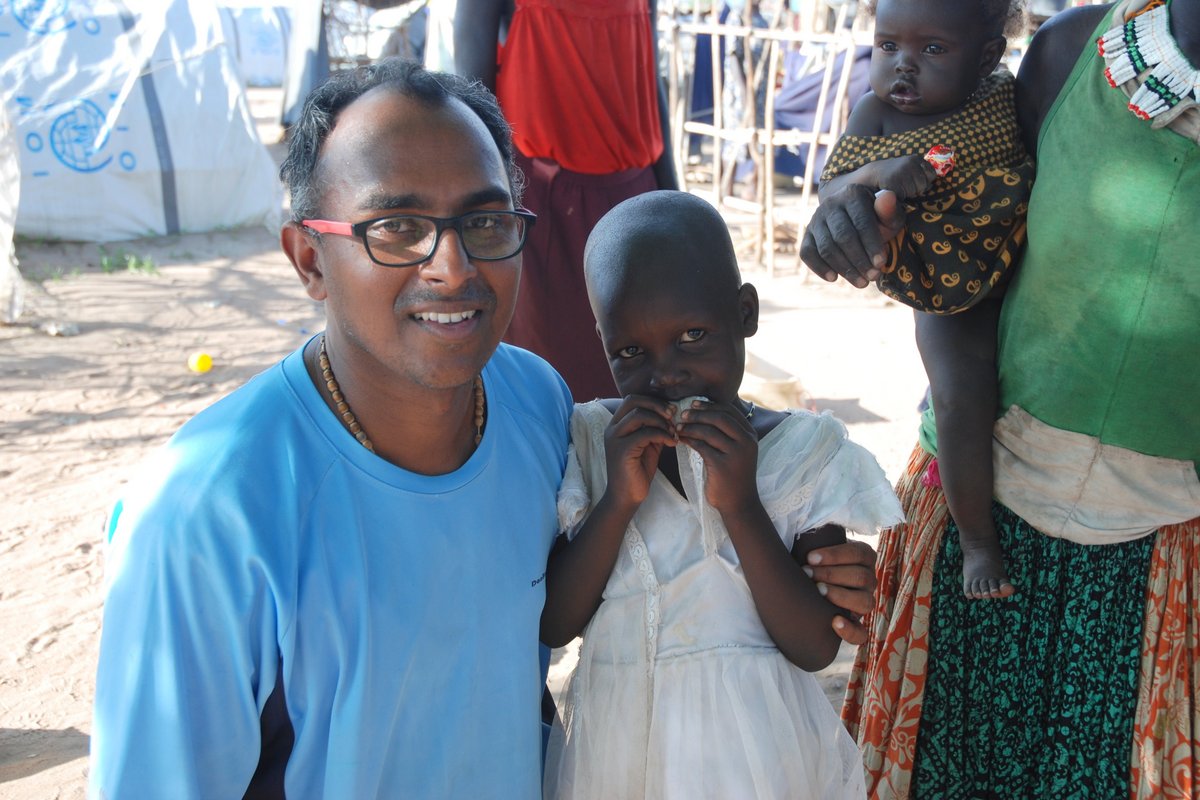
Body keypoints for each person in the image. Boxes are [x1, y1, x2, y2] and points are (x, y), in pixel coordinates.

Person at [89, 60, 881, 797]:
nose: (453, 267)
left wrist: (808, 556)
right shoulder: (204, 513)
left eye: (486, 221)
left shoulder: (536, 406)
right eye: (395, 227)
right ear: (308, 261)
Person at [804, 0, 1199, 796]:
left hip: (1165, 550)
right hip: (981, 517)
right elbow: (971, 247)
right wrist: (867, 221)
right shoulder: (1072, 57)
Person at [541, 190, 904, 799]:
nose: (665, 375)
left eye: (692, 335)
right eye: (630, 352)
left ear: (745, 314)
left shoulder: (803, 451)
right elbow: (556, 622)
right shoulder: (590, 440)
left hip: (758, 762)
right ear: (602, 341)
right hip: (618, 762)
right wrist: (618, 503)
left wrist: (740, 504)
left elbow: (815, 646)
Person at [814, 0, 1033, 599]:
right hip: (948, 290)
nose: (903, 67)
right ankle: (978, 542)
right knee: (960, 400)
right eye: (888, 47)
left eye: (931, 50)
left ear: (987, 55)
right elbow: (830, 185)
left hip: (1024, 262)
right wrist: (880, 171)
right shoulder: (876, 113)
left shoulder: (1003, 94)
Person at [454, 0, 679, 401]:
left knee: (642, 377)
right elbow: (474, 95)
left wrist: (674, 201)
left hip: (637, 196)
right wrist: (489, 208)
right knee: (548, 387)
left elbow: (649, 67)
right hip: (541, 204)